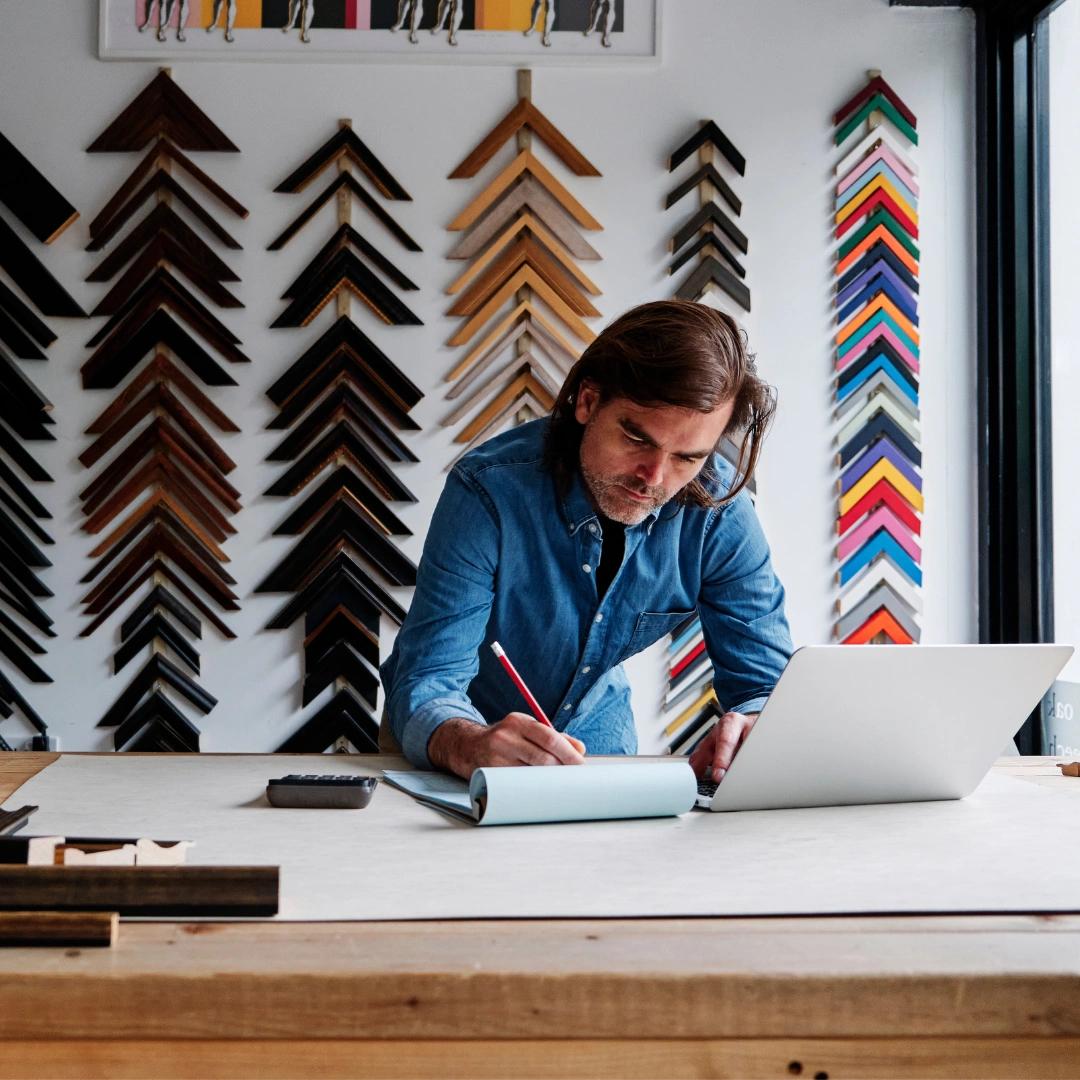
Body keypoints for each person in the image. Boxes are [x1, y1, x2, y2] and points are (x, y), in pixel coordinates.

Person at [381, 300, 793, 784]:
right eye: (637, 439)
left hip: (599, 742)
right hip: (458, 744)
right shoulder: (489, 490)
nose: (654, 478)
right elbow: (430, 677)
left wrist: (755, 728)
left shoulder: (720, 512)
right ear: (588, 402)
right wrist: (468, 744)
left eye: (687, 457)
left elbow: (766, 686)